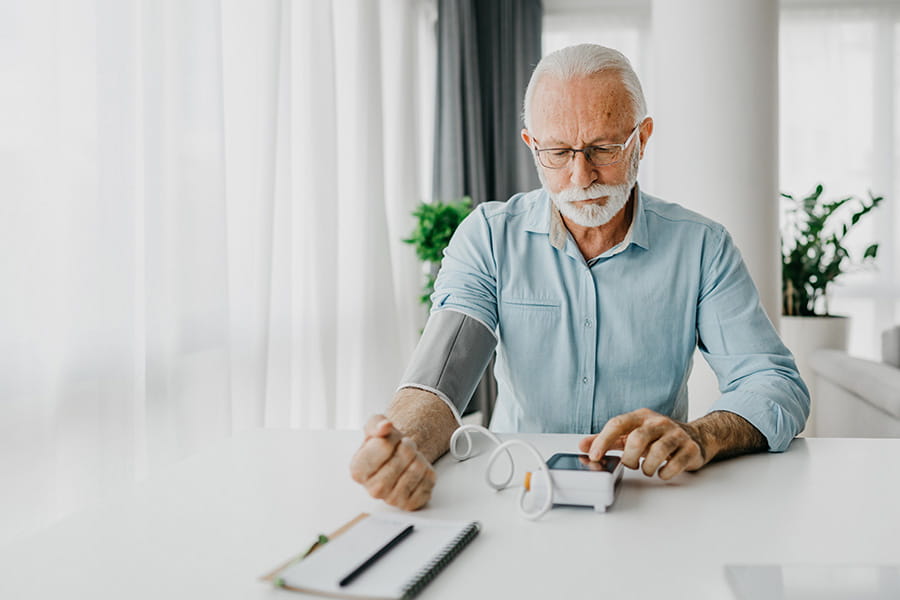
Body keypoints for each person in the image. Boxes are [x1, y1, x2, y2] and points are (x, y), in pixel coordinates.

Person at [349, 44, 809, 511]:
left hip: (653, 501)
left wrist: (701, 436)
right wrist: (402, 445)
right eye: (557, 152)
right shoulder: (489, 237)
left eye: (603, 148)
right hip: (519, 494)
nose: (580, 175)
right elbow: (440, 378)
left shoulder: (702, 247)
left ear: (642, 139)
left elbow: (775, 385)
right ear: (532, 145)